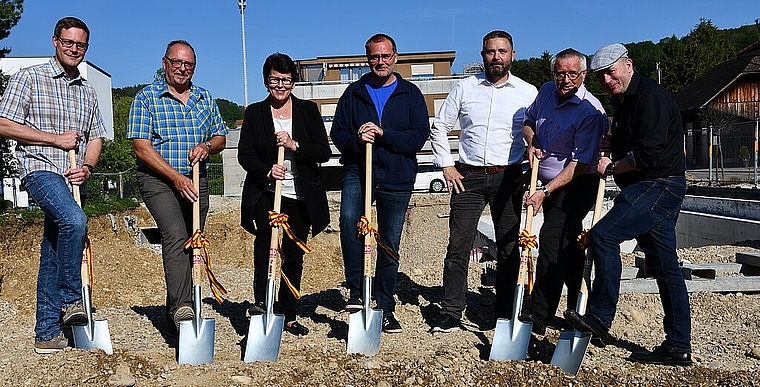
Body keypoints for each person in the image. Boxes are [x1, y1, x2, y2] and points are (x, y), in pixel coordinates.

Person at [564, 43, 692, 366]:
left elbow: (647, 154)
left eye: (611, 72)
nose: (607, 80)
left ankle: (600, 318)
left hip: (659, 185)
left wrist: (611, 165)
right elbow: (629, 141)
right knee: (665, 266)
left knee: (603, 236)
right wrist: (612, 141)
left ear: (628, 65)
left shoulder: (650, 97)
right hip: (649, 187)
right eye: (601, 77)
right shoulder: (622, 100)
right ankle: (679, 347)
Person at [0, 17, 103, 354]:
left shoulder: (86, 91)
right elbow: (3, 123)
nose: (74, 49)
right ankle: (71, 299)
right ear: (55, 41)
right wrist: (54, 140)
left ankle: (46, 334)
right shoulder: (30, 78)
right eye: (68, 42)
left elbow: (96, 137)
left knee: (53, 251)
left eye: (81, 45)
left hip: (73, 177)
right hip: (40, 170)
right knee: (75, 221)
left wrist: (87, 166)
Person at [429, 30, 538, 333]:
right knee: (458, 246)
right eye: (490, 52)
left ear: (512, 55)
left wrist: (534, 172)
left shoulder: (528, 93)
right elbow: (439, 128)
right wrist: (447, 165)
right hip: (469, 177)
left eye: (502, 51)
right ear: (482, 55)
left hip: (510, 177)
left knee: (508, 247)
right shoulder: (464, 88)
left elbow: (539, 133)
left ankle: (504, 311)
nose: (496, 57)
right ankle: (451, 310)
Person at [127, 40, 228, 336]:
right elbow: (141, 147)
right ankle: (184, 306)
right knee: (175, 235)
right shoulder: (146, 98)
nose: (182, 68)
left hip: (197, 179)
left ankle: (176, 313)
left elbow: (221, 136)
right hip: (159, 180)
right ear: (165, 62)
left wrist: (207, 145)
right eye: (177, 62)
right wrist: (175, 177)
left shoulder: (204, 98)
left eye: (189, 64)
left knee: (193, 239)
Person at [330, 33, 429, 334]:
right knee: (349, 220)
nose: (380, 62)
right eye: (374, 57)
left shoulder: (410, 94)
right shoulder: (354, 93)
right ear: (368, 59)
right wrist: (359, 141)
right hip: (359, 169)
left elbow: (418, 136)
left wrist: (384, 134)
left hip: (397, 174)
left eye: (385, 56)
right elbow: (338, 134)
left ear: (395, 57)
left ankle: (385, 306)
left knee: (388, 241)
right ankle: (358, 289)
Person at [238, 53, 331, 336]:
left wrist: (294, 144)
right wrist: (267, 171)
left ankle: (289, 313)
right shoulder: (255, 113)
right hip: (267, 194)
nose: (280, 85)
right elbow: (245, 155)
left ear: (293, 82)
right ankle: (263, 306)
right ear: (266, 80)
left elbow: (323, 152)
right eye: (275, 80)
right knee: (266, 252)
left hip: (299, 197)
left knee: (292, 256)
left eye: (286, 80)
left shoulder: (308, 111)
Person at [522, 48, 608, 335]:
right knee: (568, 247)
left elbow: (577, 166)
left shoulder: (590, 112)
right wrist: (532, 141)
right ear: (553, 74)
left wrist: (544, 192)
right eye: (560, 73)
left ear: (583, 75)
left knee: (551, 238)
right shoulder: (546, 91)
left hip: (575, 185)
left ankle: (539, 316)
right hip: (548, 182)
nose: (566, 79)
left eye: (573, 73)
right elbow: (528, 122)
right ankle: (579, 308)